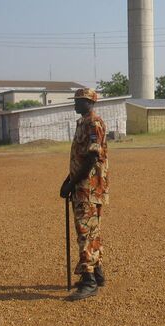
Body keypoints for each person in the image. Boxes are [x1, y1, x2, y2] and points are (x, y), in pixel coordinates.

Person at [60, 88, 109, 301]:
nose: (75, 104)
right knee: (92, 232)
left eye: (78, 101)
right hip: (82, 185)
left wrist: (73, 182)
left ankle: (88, 281)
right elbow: (81, 157)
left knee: (85, 232)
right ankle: (97, 273)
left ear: (89, 102)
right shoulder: (83, 122)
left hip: (88, 187)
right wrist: (68, 178)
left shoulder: (93, 123)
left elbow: (91, 157)